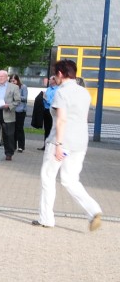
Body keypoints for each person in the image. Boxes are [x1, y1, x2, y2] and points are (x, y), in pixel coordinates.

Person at [34, 59, 104, 231]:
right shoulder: (84, 93)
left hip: (61, 142)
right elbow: (83, 118)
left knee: (48, 177)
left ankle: (46, 218)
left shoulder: (61, 92)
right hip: (79, 142)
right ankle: (93, 210)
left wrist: (58, 144)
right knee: (70, 180)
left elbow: (61, 120)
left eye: (55, 74)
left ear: (60, 74)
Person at [11, 73, 27, 152]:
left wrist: (17, 96)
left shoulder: (23, 87)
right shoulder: (10, 88)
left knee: (19, 128)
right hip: (12, 109)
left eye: (14, 81)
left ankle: (21, 146)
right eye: (11, 81)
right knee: (13, 128)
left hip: (20, 110)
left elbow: (25, 98)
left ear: (17, 80)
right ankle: (13, 145)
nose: (13, 82)